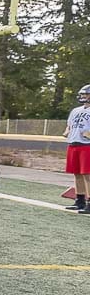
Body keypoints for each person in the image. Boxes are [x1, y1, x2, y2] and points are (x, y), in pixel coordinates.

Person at [63, 84, 90, 213]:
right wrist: (67, 131)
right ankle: (80, 201)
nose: (83, 96)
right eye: (82, 94)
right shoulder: (76, 110)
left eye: (86, 94)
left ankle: (89, 202)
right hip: (73, 144)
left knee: (87, 174)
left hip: (87, 145)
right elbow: (69, 124)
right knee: (77, 173)